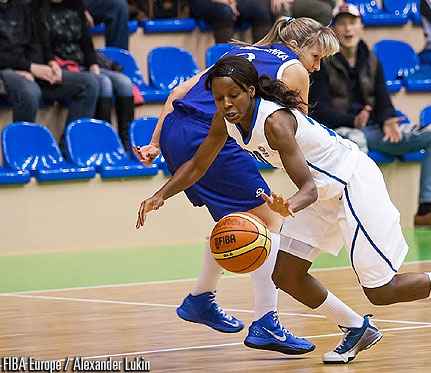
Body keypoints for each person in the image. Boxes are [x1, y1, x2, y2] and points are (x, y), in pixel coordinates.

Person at [136, 55, 431, 364]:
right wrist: (161, 195)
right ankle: (357, 328)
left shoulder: (274, 122)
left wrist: (287, 206)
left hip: (350, 184)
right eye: (218, 99)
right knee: (287, 274)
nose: (225, 105)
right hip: (321, 190)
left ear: (251, 90)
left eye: (232, 96)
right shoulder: (227, 119)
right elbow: (199, 165)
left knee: (382, 290)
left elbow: (308, 188)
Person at [134, 17, 340, 355]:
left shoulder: (242, 53)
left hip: (175, 129)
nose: (316, 67)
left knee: (237, 223)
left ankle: (201, 299)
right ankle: (266, 322)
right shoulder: (294, 71)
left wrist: (155, 143)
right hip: (211, 135)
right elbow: (299, 132)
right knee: (271, 224)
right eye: (316, 56)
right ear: (298, 47)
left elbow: (177, 93)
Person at [308, 3, 431, 229]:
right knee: (356, 143)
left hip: (371, 129)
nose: (348, 29)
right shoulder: (323, 62)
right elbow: (318, 110)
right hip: (340, 132)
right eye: (342, 24)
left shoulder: (371, 59)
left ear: (361, 26)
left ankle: (426, 210)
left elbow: (383, 101)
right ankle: (364, 213)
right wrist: (352, 121)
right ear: (333, 30)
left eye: (352, 23)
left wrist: (388, 119)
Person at [32, 0, 135, 154]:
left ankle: (127, 146)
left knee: (125, 82)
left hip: (82, 62)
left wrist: (93, 64)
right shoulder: (37, 9)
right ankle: (104, 143)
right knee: (103, 83)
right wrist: (52, 63)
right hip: (62, 64)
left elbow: (86, 41)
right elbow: (44, 46)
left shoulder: (77, 5)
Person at [0, 0, 99, 146]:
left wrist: (49, 64)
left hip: (30, 67)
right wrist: (28, 67)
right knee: (30, 91)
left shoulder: (21, 8)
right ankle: (22, 152)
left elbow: (35, 42)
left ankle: (70, 149)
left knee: (89, 83)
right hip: (5, 70)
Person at [189, 0, 272, 44]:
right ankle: (225, 59)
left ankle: (261, 56)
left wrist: (231, 2)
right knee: (224, 11)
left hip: (232, 2)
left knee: (261, 11)